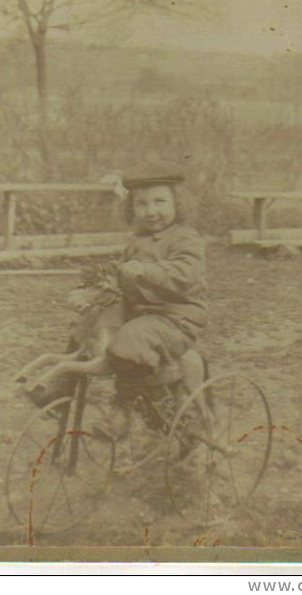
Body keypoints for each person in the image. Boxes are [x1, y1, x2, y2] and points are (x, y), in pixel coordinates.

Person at [96, 158, 208, 439]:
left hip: (176, 319)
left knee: (132, 337)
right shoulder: (137, 240)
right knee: (89, 323)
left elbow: (187, 274)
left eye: (160, 202)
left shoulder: (185, 238)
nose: (151, 211)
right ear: (132, 208)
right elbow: (122, 274)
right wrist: (104, 281)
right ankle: (61, 383)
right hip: (142, 316)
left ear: (177, 204)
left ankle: (126, 409)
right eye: (141, 204)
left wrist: (146, 271)